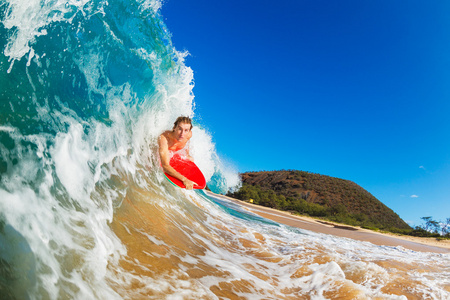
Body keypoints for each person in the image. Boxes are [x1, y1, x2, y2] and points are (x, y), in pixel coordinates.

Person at [159, 116, 197, 190]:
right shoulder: (165, 138)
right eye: (180, 129)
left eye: (186, 130)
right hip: (158, 150)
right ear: (174, 127)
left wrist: (187, 154)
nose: (182, 134)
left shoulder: (189, 135)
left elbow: (187, 141)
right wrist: (184, 179)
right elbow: (165, 166)